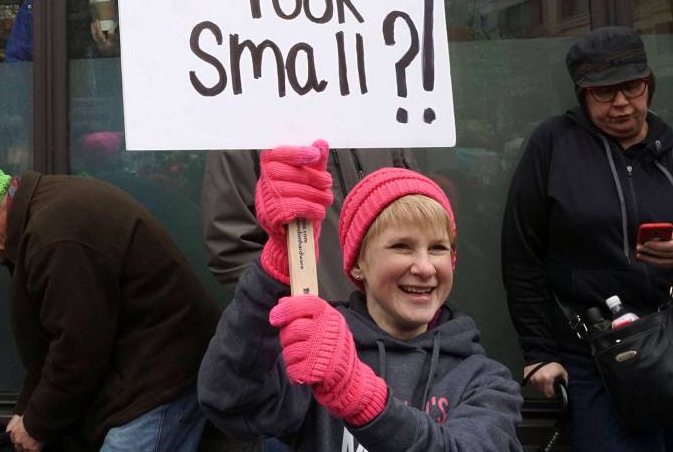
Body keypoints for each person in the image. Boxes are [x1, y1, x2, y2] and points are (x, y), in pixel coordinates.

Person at [198, 141, 523, 451]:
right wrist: (275, 270)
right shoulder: (318, 358)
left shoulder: (485, 380)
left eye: (438, 248)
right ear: (356, 265)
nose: (425, 267)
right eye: (401, 246)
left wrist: (361, 398)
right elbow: (229, 402)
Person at [501, 26, 673, 452]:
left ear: (650, 84)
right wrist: (538, 352)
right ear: (582, 94)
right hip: (592, 359)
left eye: (632, 86)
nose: (621, 102)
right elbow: (522, 252)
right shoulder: (554, 146)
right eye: (603, 92)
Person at [0, 160, 219, 452]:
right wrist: (27, 410)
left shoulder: (54, 234)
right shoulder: (41, 217)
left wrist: (37, 423)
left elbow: (78, 347)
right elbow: (54, 341)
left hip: (161, 376)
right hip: (141, 365)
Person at [202, 147, 413, 300]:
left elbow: (422, 216)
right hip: (309, 332)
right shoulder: (248, 115)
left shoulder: (382, 105)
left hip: (394, 330)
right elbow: (231, 245)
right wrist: (298, 311)